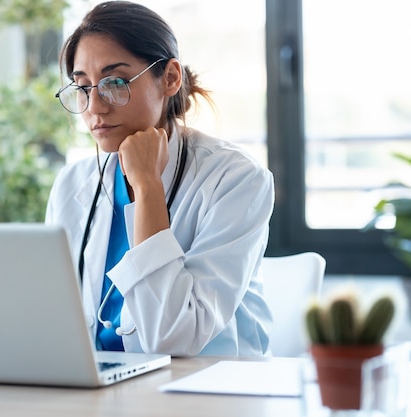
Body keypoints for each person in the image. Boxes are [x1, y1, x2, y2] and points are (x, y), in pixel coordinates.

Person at [46, 0, 274, 357]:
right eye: (84, 87)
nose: (95, 108)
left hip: (205, 389)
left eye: (115, 82)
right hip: (103, 387)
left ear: (169, 78)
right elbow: (54, 319)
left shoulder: (237, 180)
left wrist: (148, 187)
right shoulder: (73, 184)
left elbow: (172, 339)